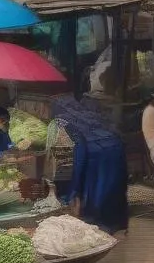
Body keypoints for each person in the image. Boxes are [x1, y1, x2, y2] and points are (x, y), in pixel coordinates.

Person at [50, 96, 129, 235]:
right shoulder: (88, 116)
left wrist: (74, 191)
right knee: (113, 191)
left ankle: (99, 231)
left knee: (96, 199)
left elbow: (76, 154)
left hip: (97, 158)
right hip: (117, 151)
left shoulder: (61, 122)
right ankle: (115, 226)